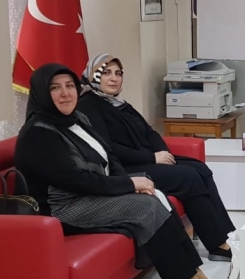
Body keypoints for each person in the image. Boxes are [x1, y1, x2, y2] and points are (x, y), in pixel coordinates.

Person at [14, 64, 222, 279]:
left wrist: (129, 182)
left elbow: (109, 156)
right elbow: (76, 180)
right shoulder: (38, 134)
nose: (65, 93)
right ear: (42, 93)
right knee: (147, 207)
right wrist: (128, 186)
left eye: (70, 86)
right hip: (64, 208)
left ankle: (193, 272)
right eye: (55, 88)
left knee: (155, 196)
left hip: (90, 195)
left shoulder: (78, 119)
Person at [77, 53, 236, 262]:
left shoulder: (118, 103)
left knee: (200, 169)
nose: (114, 78)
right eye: (106, 73)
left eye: (118, 73)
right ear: (93, 76)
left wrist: (164, 154)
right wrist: (153, 158)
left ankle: (225, 235)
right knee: (188, 177)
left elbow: (149, 132)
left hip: (145, 159)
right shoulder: (89, 105)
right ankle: (217, 244)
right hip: (124, 170)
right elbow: (108, 149)